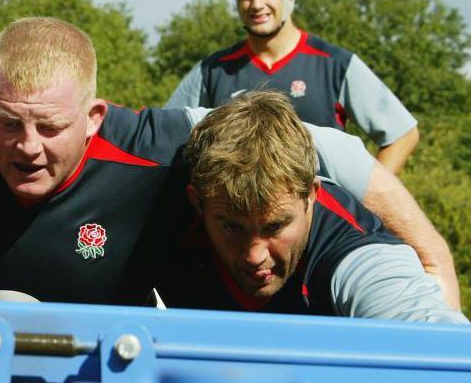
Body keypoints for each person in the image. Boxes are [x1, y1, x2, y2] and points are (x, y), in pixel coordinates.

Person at [0, 16, 458, 306]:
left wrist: (433, 256)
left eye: (50, 127)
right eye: (7, 123)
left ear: (94, 116)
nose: (27, 146)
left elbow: (331, 146)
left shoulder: (155, 146)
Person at [152, 90, 465, 323]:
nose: (254, 255)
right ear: (197, 202)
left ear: (311, 196)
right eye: (232, 227)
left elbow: (412, 313)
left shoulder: (351, 244)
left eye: (275, 226)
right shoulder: (158, 216)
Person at [165, 0, 419, 174]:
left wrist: (362, 204)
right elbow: (167, 133)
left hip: (321, 222)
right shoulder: (214, 70)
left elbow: (403, 135)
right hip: (240, 225)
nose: (256, 4)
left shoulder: (334, 64)